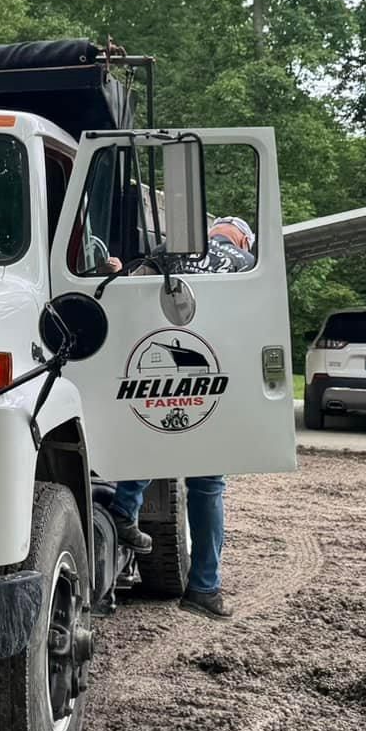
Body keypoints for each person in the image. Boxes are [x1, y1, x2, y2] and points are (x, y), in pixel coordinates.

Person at [110, 214, 256, 620]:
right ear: (243, 240)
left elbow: (129, 291)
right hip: (213, 371)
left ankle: (124, 510)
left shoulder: (171, 250)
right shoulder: (247, 265)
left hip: (164, 356)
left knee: (154, 428)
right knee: (207, 485)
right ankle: (204, 588)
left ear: (214, 233)